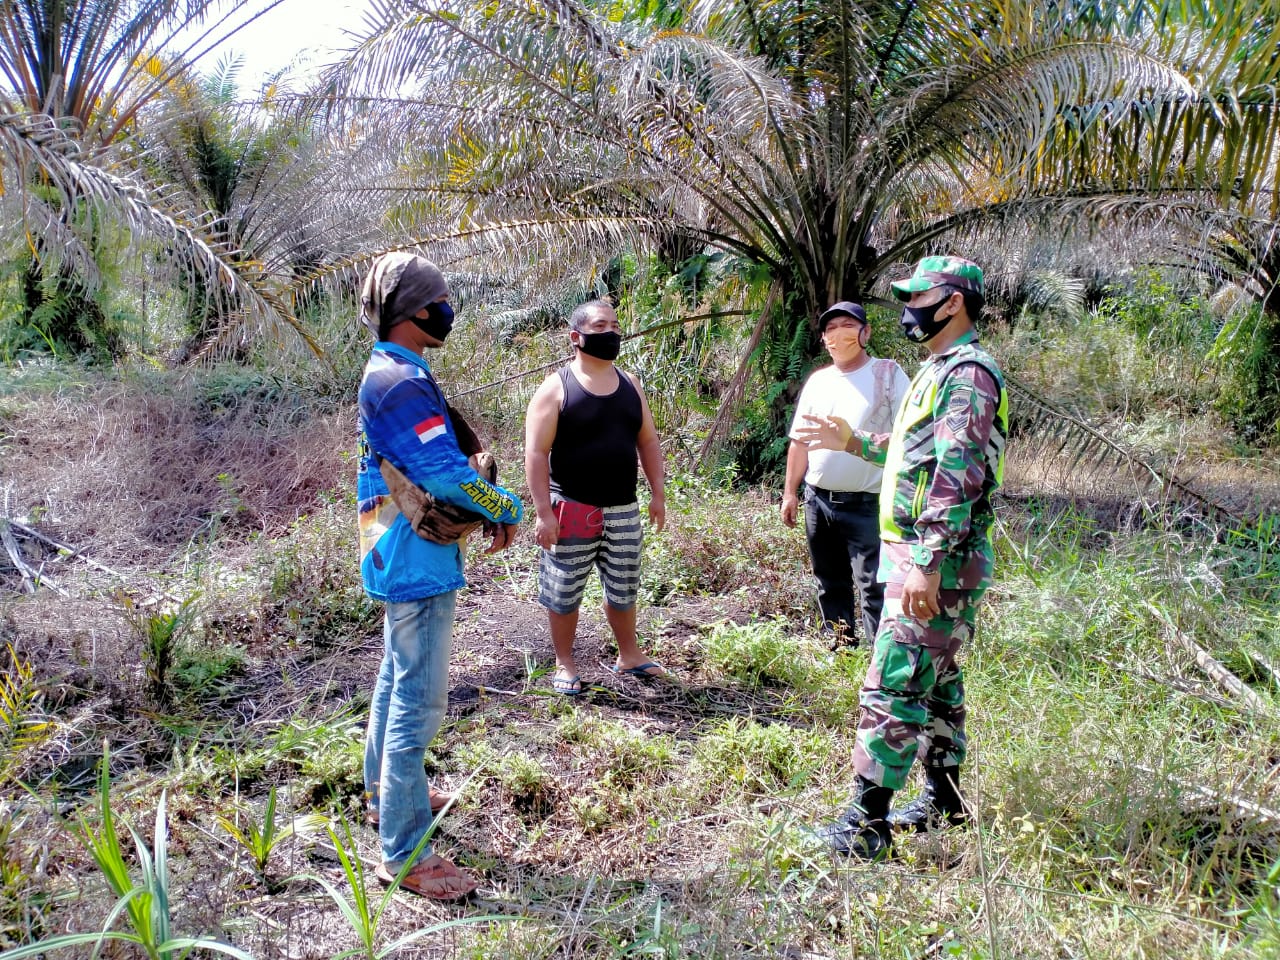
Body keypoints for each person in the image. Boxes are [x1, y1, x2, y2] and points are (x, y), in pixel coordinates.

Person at [795, 256, 1008, 861]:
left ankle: (865, 827)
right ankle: (945, 801)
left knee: (892, 681)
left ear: (953, 304)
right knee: (935, 684)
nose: (909, 305)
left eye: (921, 295)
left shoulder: (968, 374)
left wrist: (928, 559)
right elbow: (915, 453)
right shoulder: (939, 370)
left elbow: (958, 473)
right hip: (917, 555)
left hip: (933, 559)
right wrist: (854, 441)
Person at [356, 252, 523, 899]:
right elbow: (446, 476)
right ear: (415, 310)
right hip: (416, 560)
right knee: (416, 710)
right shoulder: (400, 379)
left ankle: (385, 799)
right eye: (441, 300)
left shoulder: (393, 372)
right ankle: (405, 853)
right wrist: (505, 507)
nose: (447, 310)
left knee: (394, 683)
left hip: (395, 552)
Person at [524, 298, 667, 696]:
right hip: (571, 508)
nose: (611, 334)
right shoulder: (556, 388)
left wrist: (658, 493)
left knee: (623, 585)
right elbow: (535, 453)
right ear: (577, 337)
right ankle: (565, 663)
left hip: (623, 508)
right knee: (564, 588)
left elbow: (648, 441)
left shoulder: (630, 385)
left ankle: (629, 654)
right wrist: (542, 513)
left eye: (615, 326)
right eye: (601, 327)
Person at [782, 301, 909, 646]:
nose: (839, 334)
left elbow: (909, 438)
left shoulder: (888, 375)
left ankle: (881, 657)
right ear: (824, 339)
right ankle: (840, 648)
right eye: (831, 329)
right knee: (829, 579)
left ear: (865, 332)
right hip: (818, 501)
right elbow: (799, 442)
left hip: (867, 504)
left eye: (847, 325)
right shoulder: (819, 381)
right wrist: (790, 492)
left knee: (874, 584)